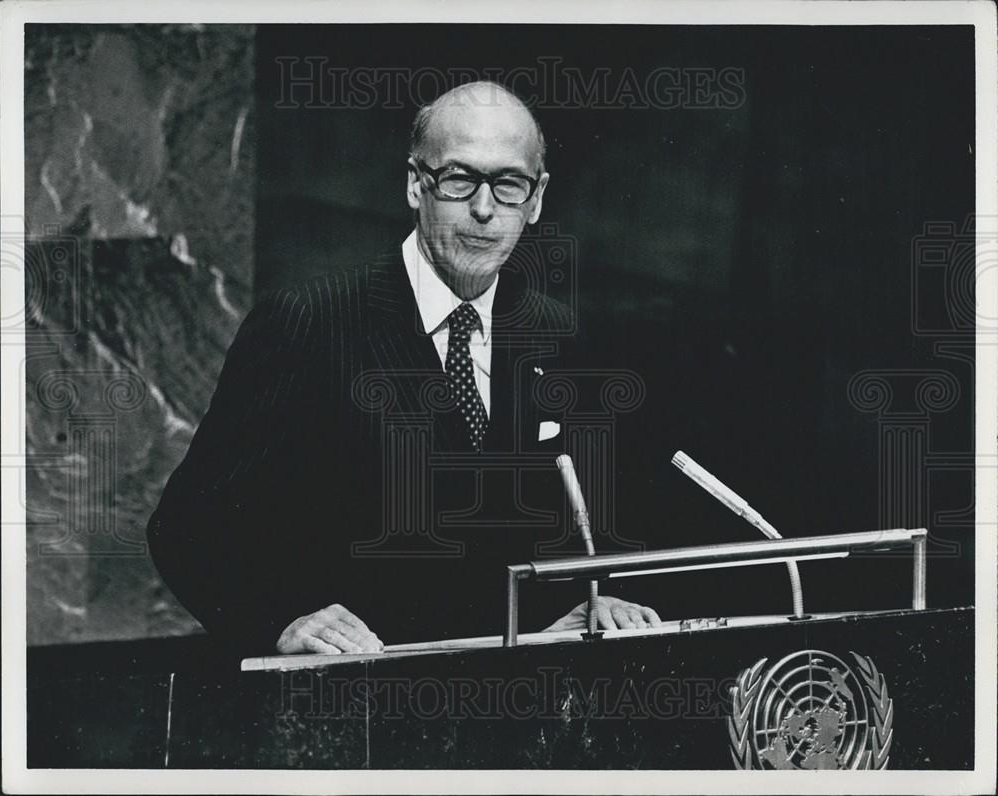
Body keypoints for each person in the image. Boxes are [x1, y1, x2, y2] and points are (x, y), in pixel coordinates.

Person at [148, 81, 661, 656]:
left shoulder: (559, 334)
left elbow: (585, 529)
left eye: (508, 184)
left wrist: (597, 598)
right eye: (460, 179)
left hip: (517, 708)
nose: (485, 209)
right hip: (354, 711)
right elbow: (186, 529)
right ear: (417, 184)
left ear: (536, 199)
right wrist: (279, 621)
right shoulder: (309, 323)